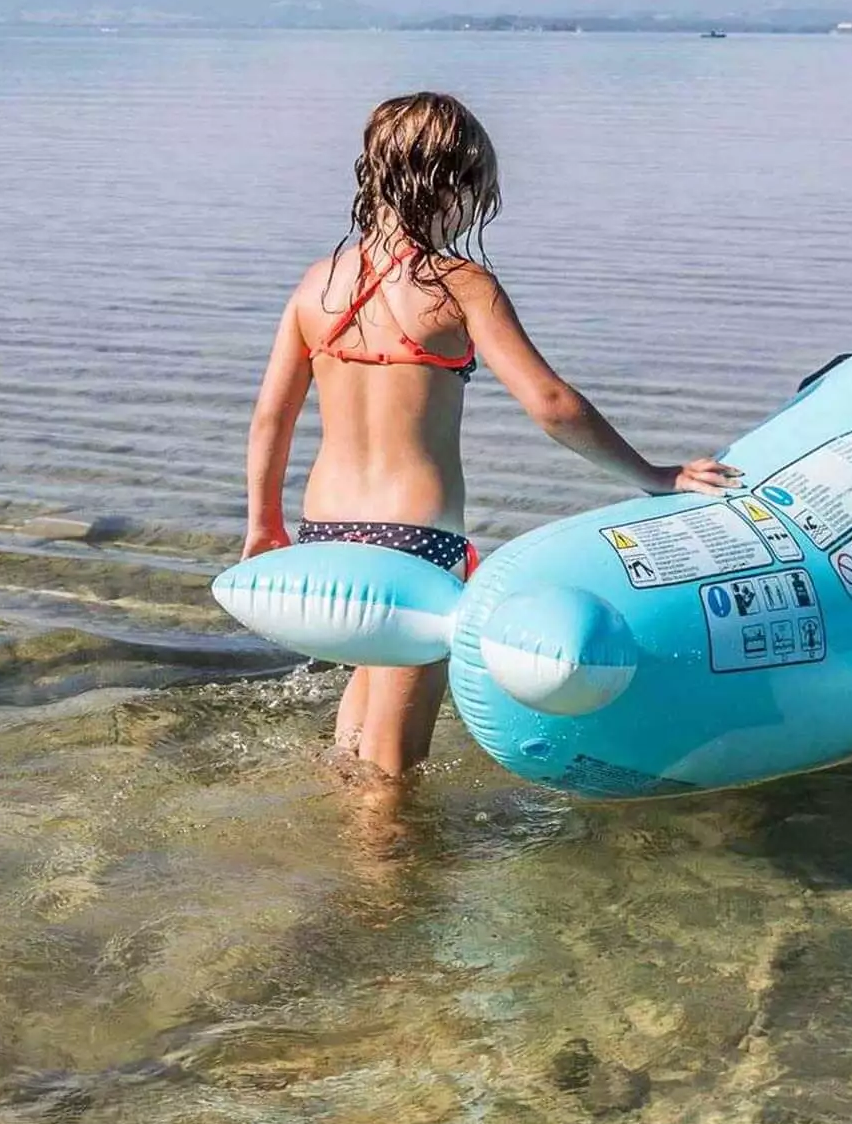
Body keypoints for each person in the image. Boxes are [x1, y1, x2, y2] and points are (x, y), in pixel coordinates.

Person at [241, 92, 734, 776]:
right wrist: (653, 475)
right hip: (412, 541)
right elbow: (552, 404)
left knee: (355, 740)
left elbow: (272, 417)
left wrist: (263, 525)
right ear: (452, 184)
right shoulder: (460, 286)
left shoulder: (316, 285)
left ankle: (335, 870)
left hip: (325, 532)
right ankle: (382, 883)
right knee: (394, 772)